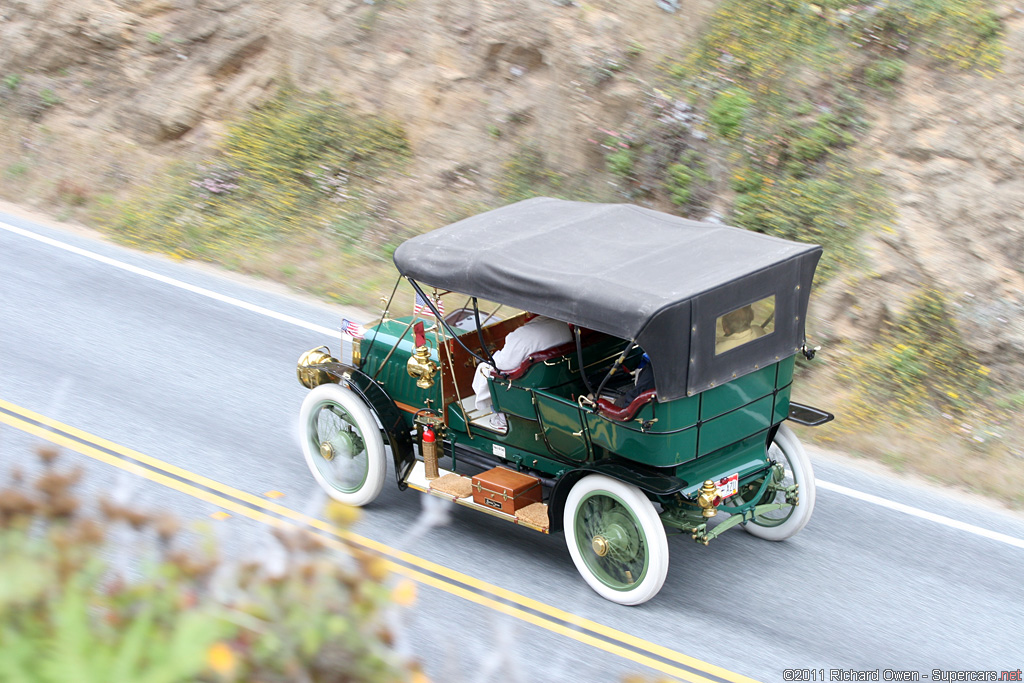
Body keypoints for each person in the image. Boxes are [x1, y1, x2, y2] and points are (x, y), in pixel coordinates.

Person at [472, 314, 572, 431]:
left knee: (484, 369)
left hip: (531, 387)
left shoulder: (521, 337)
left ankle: (502, 416)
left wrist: (494, 358)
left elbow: (502, 367)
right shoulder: (562, 325)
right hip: (559, 381)